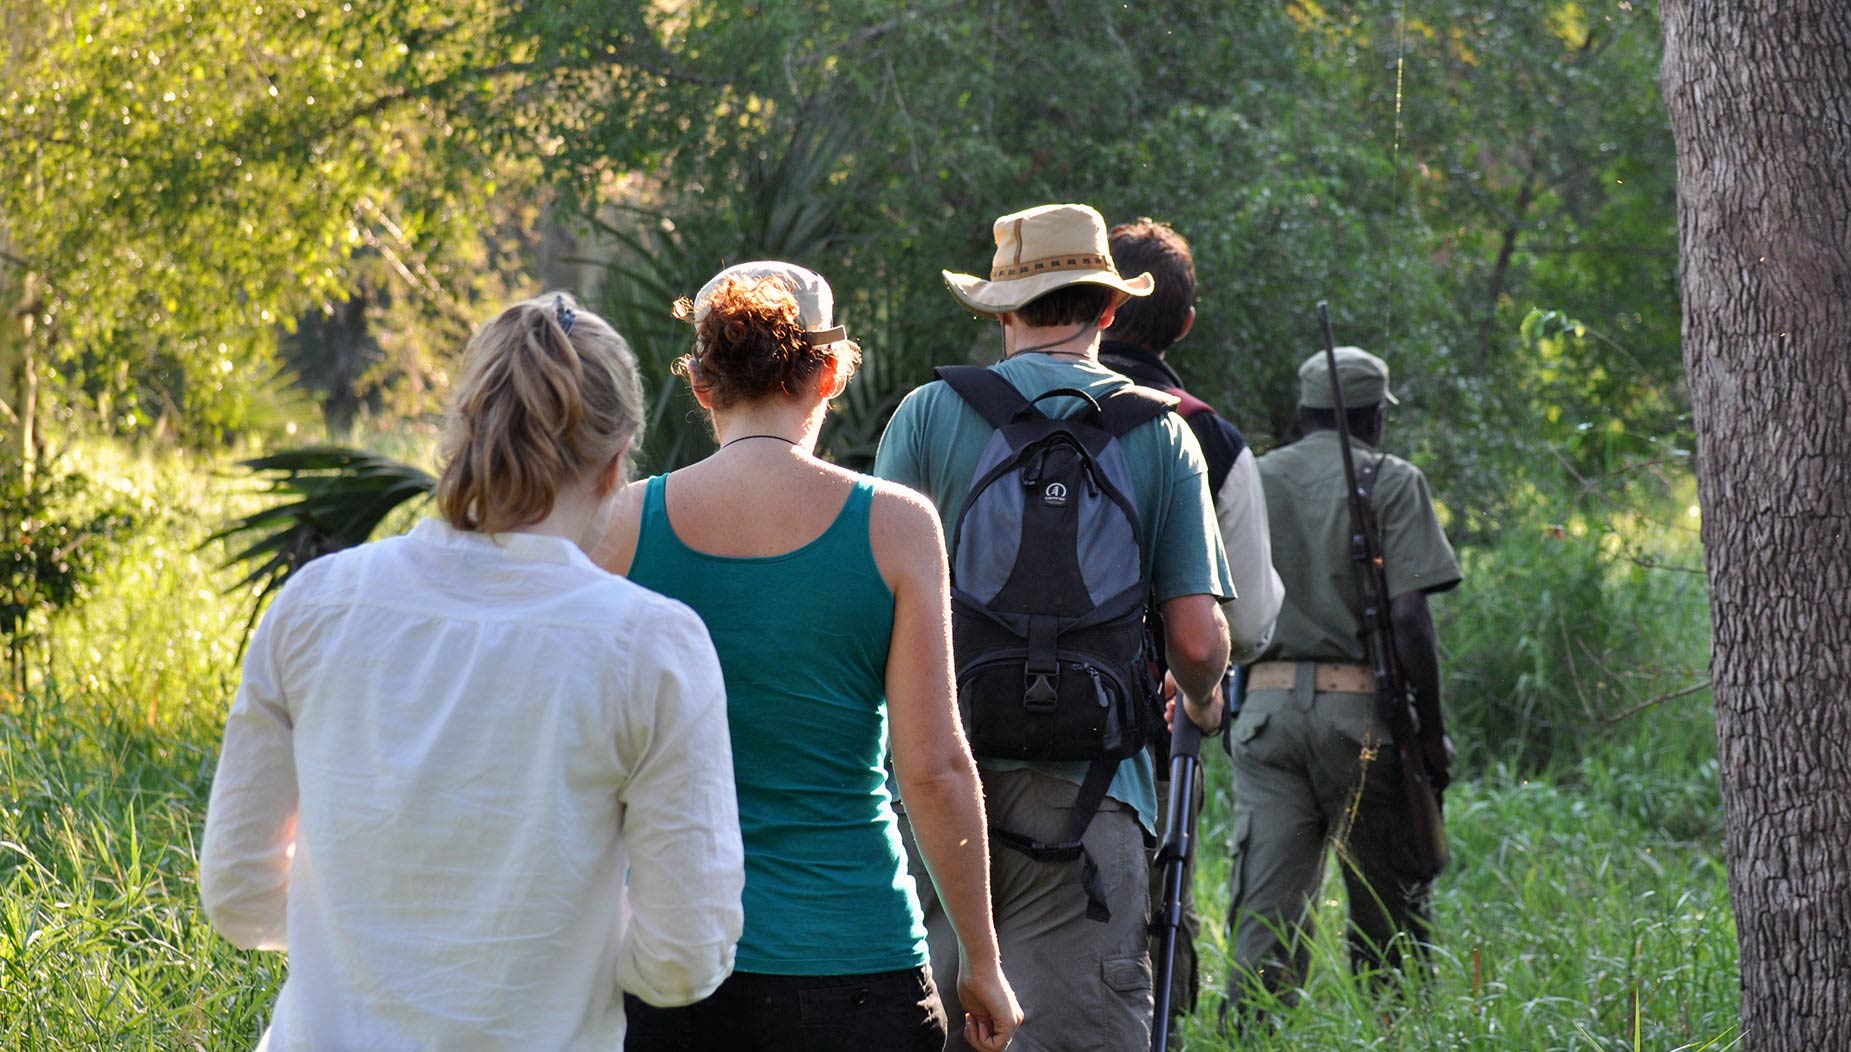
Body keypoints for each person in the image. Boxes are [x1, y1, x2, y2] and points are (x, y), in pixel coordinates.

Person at [200, 294, 745, 1052]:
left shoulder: (316, 605)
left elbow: (240, 893)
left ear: (456, 436)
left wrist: (373, 930)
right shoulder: (651, 646)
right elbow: (684, 956)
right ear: (616, 463)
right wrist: (562, 950)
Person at [591, 262, 1021, 1052]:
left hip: (665, 961)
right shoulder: (895, 527)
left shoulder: (622, 524)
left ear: (702, 384)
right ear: (828, 372)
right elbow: (932, 770)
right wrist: (982, 960)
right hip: (853, 961)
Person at [877, 204, 1234, 1052]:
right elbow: (1197, 640)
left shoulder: (927, 416)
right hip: (1096, 795)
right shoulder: (1163, 435)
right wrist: (1204, 697)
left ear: (1002, 309)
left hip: (938, 780)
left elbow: (871, 606)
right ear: (1109, 310)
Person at [1223, 347, 1461, 1025]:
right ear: (1371, 418)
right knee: (1389, 911)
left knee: (1264, 909)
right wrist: (1430, 728)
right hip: (1360, 719)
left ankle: (1250, 1036)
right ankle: (1397, 1031)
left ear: (1304, 414)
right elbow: (1410, 617)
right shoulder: (1391, 479)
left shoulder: (1253, 479)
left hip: (1264, 714)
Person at [1098, 217, 1284, 1046]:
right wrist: (1201, 693)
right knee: (1143, 930)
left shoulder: (988, 409)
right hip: (1144, 733)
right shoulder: (1205, 433)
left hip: (983, 721)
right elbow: (1247, 620)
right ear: (1183, 324)